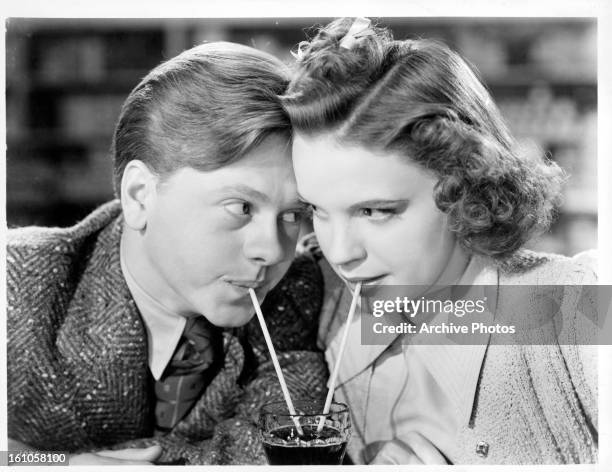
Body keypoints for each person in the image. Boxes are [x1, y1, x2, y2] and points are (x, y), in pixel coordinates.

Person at [281, 18, 598, 465]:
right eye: (316, 209)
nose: (340, 252)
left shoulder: (570, 308)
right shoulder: (319, 303)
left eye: (375, 211)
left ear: (464, 184)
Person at [7, 41, 327, 465]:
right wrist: (47, 464)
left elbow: (282, 448)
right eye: (241, 207)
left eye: (292, 215)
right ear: (140, 196)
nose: (272, 250)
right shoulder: (16, 284)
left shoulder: (295, 289)